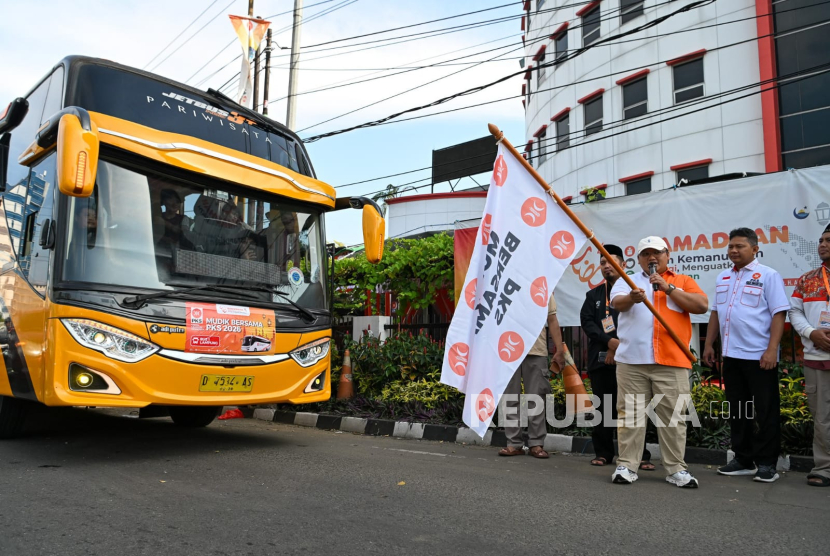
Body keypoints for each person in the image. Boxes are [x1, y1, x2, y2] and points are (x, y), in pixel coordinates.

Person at [609, 236, 708, 487]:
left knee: (673, 417)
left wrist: (668, 289)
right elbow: (616, 303)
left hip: (672, 361)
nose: (651, 258)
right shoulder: (627, 280)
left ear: (668, 255)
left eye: (657, 253)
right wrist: (633, 297)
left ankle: (676, 469)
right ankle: (627, 466)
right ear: (639, 259)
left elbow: (701, 305)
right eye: (646, 254)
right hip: (632, 362)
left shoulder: (683, 281)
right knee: (630, 415)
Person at [703, 228, 789, 483]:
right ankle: (743, 459)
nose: (733, 251)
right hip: (731, 355)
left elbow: (779, 314)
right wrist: (709, 345)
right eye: (730, 246)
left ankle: (766, 464)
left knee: (765, 411)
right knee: (739, 409)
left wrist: (772, 349)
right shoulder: (723, 277)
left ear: (754, 249)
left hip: (759, 355)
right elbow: (716, 313)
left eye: (739, 246)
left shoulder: (769, 276)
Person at [580, 244, 653, 470]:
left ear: (623, 265)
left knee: (633, 407)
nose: (606, 267)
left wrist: (617, 347)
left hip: (631, 359)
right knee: (604, 407)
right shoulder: (593, 295)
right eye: (602, 263)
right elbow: (588, 323)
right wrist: (608, 342)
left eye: (611, 262)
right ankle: (603, 453)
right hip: (601, 362)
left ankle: (639, 455)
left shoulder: (636, 290)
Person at [788, 224, 830, 487]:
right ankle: (824, 468)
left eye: (829, 240)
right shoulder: (807, 279)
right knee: (822, 417)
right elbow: (794, 312)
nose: (823, 244)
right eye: (821, 240)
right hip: (817, 358)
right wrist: (811, 333)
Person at [498, 293, 564, 459]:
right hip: (507, 349)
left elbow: (552, 319)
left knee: (537, 398)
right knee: (510, 397)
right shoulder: (504, 283)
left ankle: (536, 443)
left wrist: (560, 349)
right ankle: (513, 444)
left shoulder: (542, 283)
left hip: (536, 349)